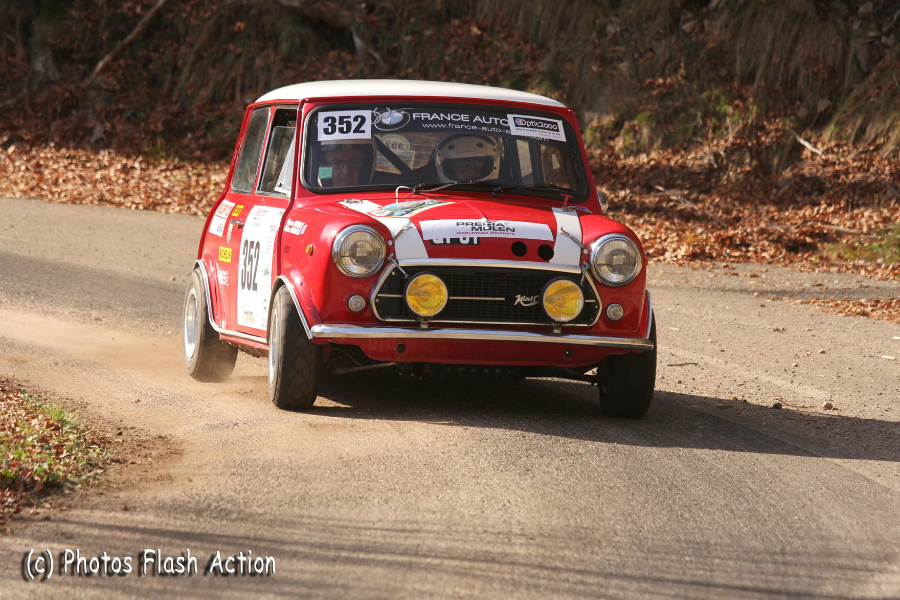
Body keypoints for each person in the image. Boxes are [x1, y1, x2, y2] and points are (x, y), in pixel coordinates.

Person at [436, 134, 501, 182]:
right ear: (449, 169)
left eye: (476, 166)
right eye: (460, 167)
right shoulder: (428, 190)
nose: (470, 173)